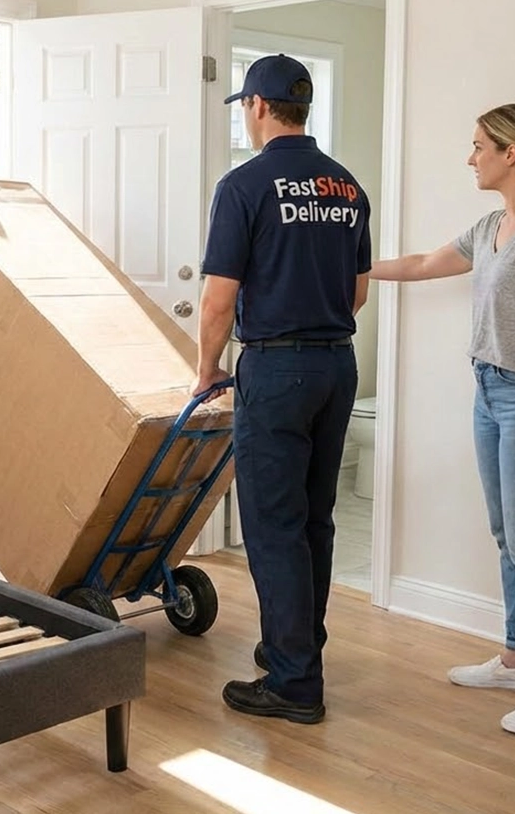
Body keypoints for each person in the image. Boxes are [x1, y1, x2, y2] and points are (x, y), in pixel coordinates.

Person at [372, 103, 515, 735]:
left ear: (510, 153)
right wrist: (353, 267)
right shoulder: (492, 224)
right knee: (506, 533)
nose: (470, 158)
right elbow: (422, 264)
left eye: (478, 147)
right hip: (489, 393)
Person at [192, 55, 372, 724]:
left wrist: (208, 368)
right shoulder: (347, 186)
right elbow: (357, 291)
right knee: (314, 519)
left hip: (275, 369)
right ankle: (296, 649)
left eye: (245, 105)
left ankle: (295, 682)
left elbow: (218, 300)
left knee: (272, 526)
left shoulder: (244, 186)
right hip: (336, 366)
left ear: (259, 107)